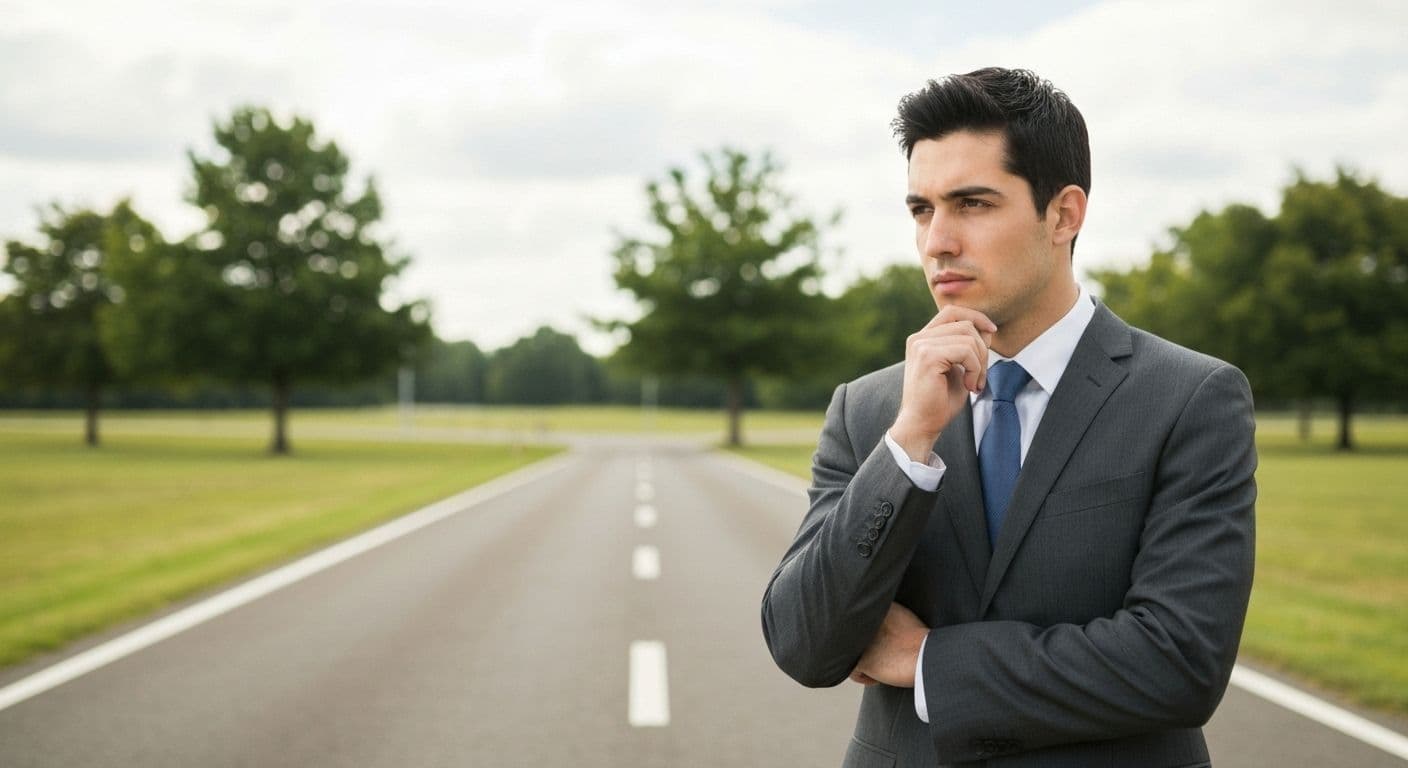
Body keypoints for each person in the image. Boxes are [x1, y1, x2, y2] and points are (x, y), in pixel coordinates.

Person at [761, 67, 1256, 767]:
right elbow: (805, 645)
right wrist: (908, 442)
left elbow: (1179, 661)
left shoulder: (1189, 398)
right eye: (921, 209)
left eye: (973, 203)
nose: (937, 241)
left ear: (1064, 215)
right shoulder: (871, 408)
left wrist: (930, 661)